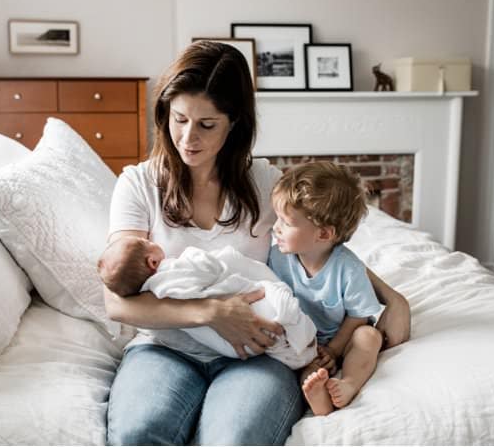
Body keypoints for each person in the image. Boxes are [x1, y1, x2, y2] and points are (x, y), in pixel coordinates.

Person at [103, 40, 410, 445]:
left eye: (206, 124)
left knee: (236, 438)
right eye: (179, 119)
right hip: (165, 347)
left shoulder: (265, 183)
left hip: (260, 354)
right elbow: (117, 302)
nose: (187, 137)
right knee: (140, 433)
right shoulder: (138, 185)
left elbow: (321, 242)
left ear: (235, 124)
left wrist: (391, 296)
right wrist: (211, 313)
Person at [266, 161, 384, 416]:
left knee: (369, 337)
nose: (275, 227)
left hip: (341, 338)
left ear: (323, 234)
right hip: (303, 341)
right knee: (304, 368)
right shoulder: (276, 258)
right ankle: (319, 400)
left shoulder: (348, 269)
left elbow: (358, 316)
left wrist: (335, 349)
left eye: (286, 222)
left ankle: (349, 383)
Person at [97, 237, 318, 369]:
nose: (152, 240)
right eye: (147, 242)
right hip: (177, 351)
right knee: (275, 299)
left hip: (231, 349)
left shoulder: (150, 293)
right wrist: (213, 311)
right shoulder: (169, 273)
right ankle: (302, 345)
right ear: (153, 261)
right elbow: (211, 269)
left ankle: (297, 350)